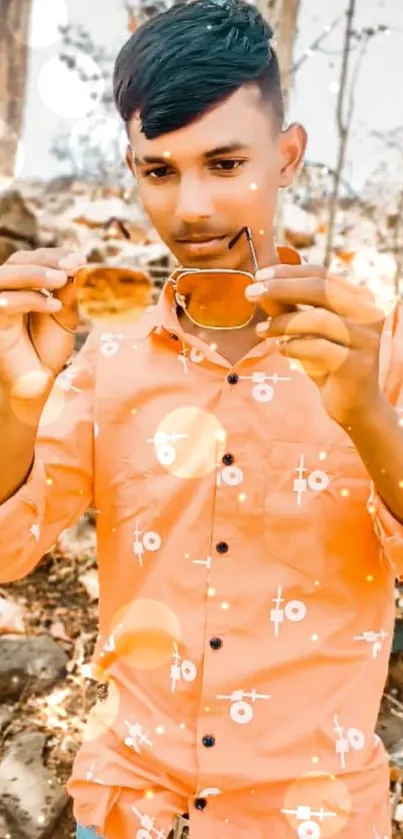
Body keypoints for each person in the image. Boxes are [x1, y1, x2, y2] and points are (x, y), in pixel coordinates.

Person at [0, 1, 402, 838]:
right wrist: (14, 404)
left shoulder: (379, 349)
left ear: (287, 155)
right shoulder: (105, 360)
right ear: (133, 170)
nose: (191, 209)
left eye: (225, 163)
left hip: (314, 816)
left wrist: (365, 414)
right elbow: (10, 551)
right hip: (128, 808)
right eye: (160, 172)